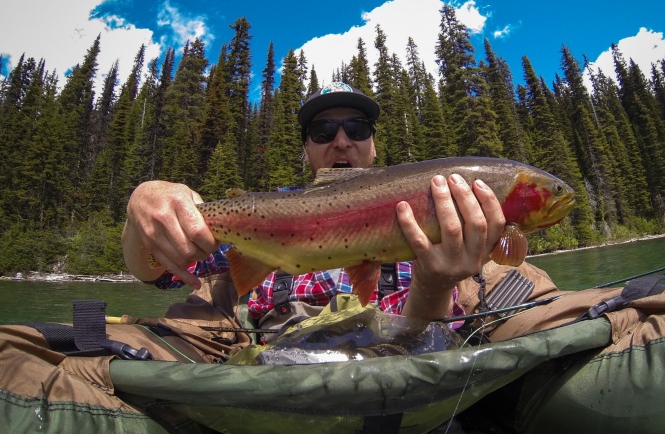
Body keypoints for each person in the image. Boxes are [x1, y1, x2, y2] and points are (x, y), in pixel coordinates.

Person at [122, 82, 507, 325]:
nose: (341, 142)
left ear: (373, 143)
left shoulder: (435, 204)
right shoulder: (262, 214)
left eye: (356, 129)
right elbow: (156, 273)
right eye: (323, 132)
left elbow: (437, 339)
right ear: (306, 149)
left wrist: (437, 284)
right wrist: (142, 209)